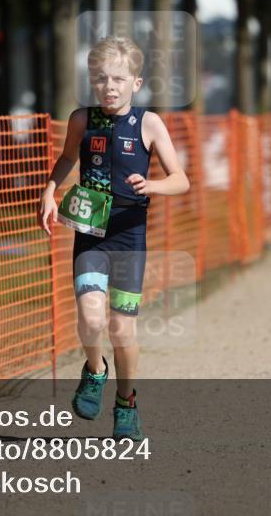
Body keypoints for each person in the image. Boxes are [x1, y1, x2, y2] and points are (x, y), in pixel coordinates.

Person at [38, 36, 189, 441]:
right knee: (90, 318)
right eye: (101, 78)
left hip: (129, 238)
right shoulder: (81, 119)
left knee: (122, 330)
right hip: (91, 235)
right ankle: (95, 371)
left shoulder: (149, 123)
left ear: (135, 83)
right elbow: (68, 157)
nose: (110, 87)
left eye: (119, 79)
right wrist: (49, 191)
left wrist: (153, 186)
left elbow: (181, 180)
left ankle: (126, 402)